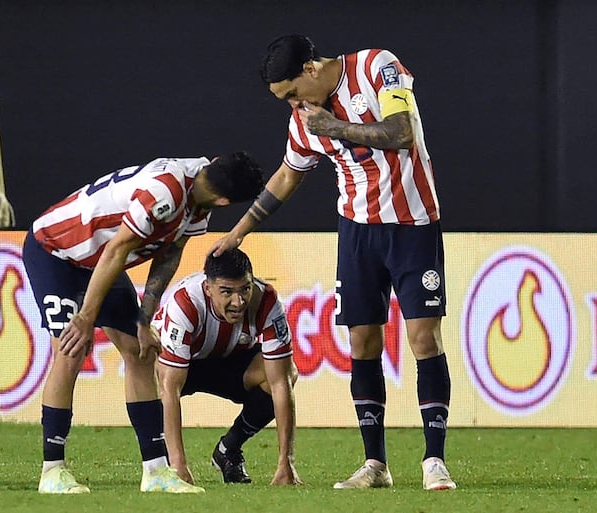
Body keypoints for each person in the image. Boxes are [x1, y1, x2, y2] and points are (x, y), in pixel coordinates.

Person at [211, 35, 456, 491]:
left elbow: (403, 131)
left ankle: (434, 460)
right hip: (357, 233)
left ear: (310, 70)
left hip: (413, 225)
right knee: (362, 342)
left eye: (290, 93)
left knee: (423, 338)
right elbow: (288, 174)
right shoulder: (304, 120)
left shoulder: (376, 66)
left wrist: (335, 128)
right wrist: (239, 230)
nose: (290, 104)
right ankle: (375, 465)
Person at [23, 152, 263, 494]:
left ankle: (156, 471)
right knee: (72, 348)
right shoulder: (166, 192)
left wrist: (144, 318)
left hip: (99, 260)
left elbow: (169, 253)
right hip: (57, 252)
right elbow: (118, 248)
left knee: (141, 351)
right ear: (226, 201)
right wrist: (86, 317)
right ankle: (53, 470)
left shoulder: (198, 193)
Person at [153, 248, 301, 486]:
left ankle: (228, 450)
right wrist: (179, 465)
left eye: (245, 289)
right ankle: (156, 460)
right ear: (208, 289)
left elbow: (280, 383)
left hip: (231, 363)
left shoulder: (267, 300)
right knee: (152, 375)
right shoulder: (185, 303)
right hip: (185, 365)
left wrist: (286, 463)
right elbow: (170, 387)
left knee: (286, 373)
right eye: (227, 292)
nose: (238, 301)